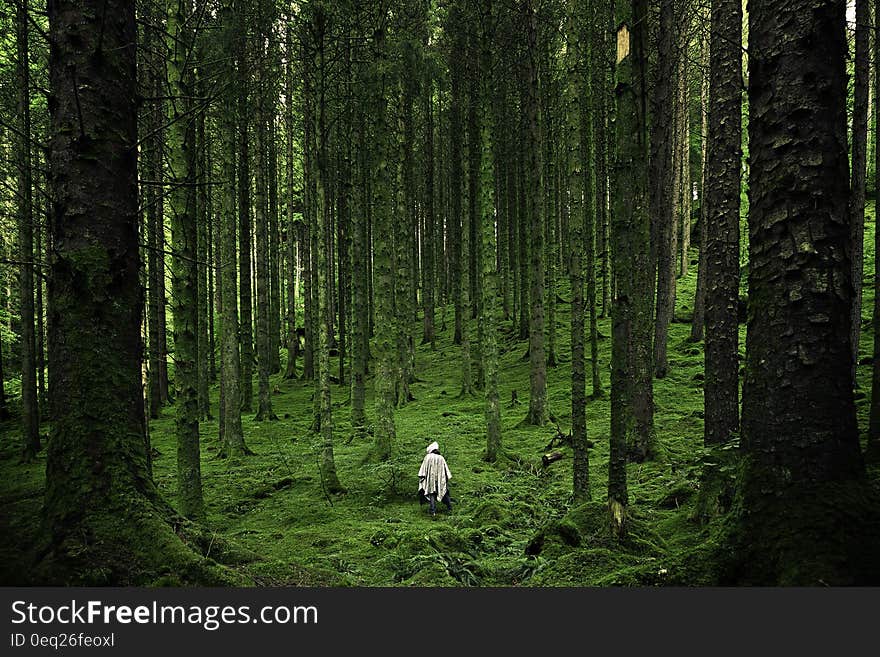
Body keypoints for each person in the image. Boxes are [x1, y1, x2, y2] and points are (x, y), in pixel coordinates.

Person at [418, 441, 452, 517]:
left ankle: (432, 511)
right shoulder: (441, 458)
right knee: (444, 491)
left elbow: (423, 469)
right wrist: (446, 478)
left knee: (431, 493)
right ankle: (450, 508)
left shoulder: (428, 457)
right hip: (440, 479)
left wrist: (422, 476)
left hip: (430, 479)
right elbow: (446, 469)